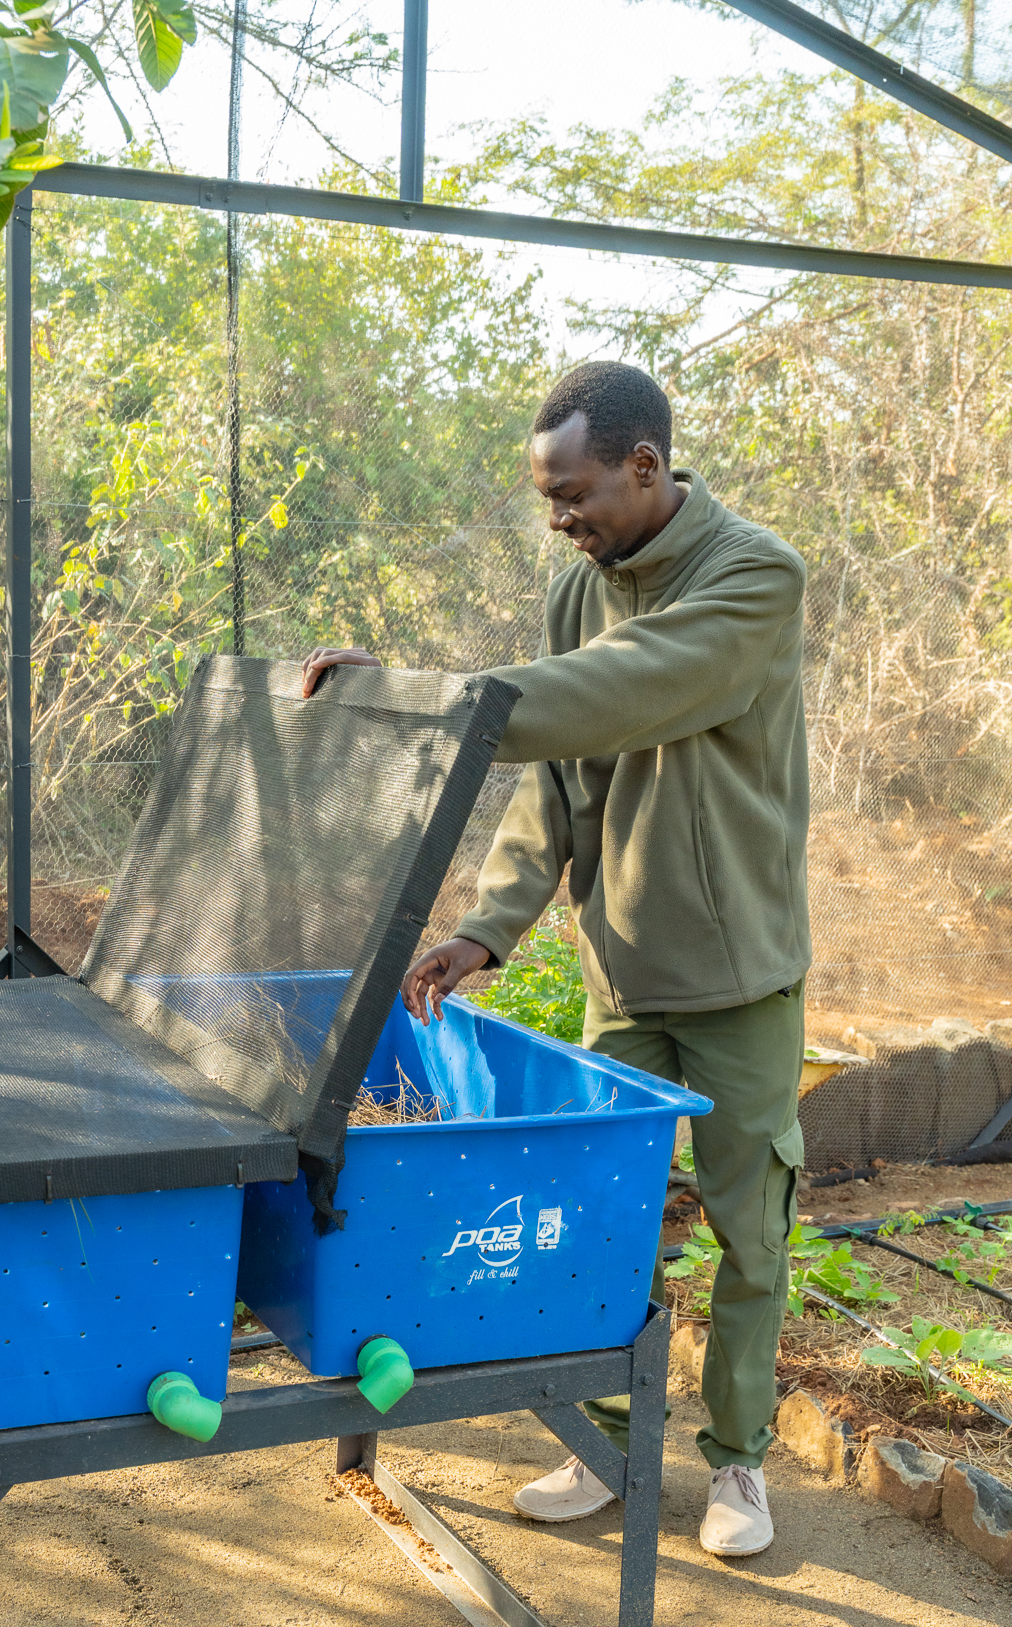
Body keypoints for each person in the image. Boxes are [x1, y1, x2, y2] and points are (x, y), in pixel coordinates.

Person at [301, 360, 809, 1559]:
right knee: (601, 1223)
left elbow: (625, 692)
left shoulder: (754, 575)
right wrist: (492, 924)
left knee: (751, 1227)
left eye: (573, 494)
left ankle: (738, 1464)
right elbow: (561, 781)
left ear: (646, 465)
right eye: (547, 500)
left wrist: (433, 702)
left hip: (740, 980)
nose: (560, 520)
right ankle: (603, 1444)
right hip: (621, 970)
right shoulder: (578, 591)